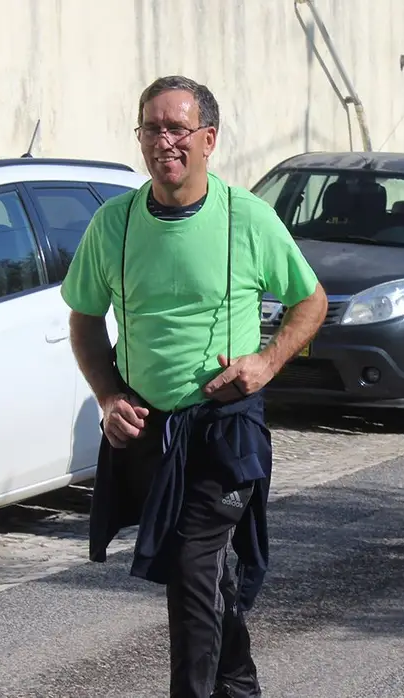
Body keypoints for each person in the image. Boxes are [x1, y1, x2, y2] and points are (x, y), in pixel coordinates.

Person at [61, 75, 327, 698]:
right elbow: (83, 318)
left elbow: (310, 302)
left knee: (191, 564)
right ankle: (238, 684)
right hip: (152, 429)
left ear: (208, 139)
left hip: (226, 425)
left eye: (177, 128)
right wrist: (107, 396)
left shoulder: (248, 218)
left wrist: (267, 362)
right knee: (202, 575)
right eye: (151, 128)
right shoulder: (115, 225)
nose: (164, 141)